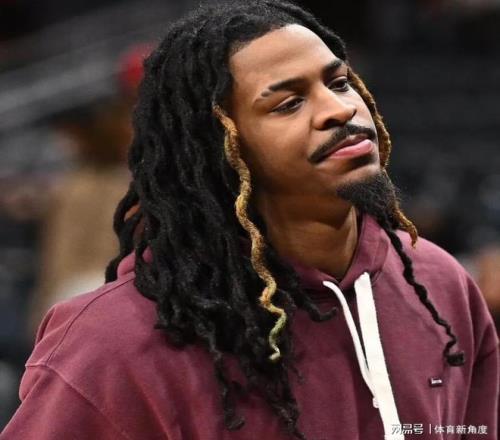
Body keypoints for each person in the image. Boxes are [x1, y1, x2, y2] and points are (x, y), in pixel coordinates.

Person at [1, 1, 498, 439]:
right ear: (219, 149)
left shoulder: (438, 283)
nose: (339, 109)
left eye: (339, 82)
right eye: (289, 103)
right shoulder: (112, 346)